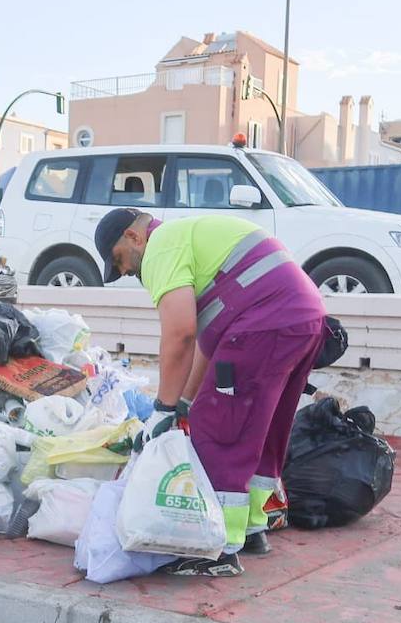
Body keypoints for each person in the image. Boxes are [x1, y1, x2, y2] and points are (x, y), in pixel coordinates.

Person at [94, 208, 326, 576]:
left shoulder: (161, 248)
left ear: (134, 237)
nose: (123, 272)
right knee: (261, 431)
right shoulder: (194, 240)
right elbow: (206, 340)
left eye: (119, 260)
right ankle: (252, 531)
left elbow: (180, 333)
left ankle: (217, 549)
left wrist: (162, 407)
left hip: (262, 324)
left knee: (221, 430)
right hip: (304, 320)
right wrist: (184, 402)